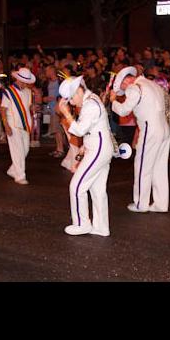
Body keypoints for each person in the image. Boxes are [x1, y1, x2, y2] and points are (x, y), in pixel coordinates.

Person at [110, 66, 170, 213]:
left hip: (150, 129)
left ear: (125, 81)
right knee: (159, 168)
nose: (125, 91)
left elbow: (124, 110)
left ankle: (140, 204)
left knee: (143, 166)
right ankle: (161, 204)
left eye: (123, 88)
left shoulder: (134, 88)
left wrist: (113, 101)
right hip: (164, 128)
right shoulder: (153, 84)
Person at [58, 76, 113, 236]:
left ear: (78, 91)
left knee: (76, 186)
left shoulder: (90, 104)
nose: (71, 103)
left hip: (98, 149)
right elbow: (95, 128)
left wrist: (66, 114)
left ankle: (82, 224)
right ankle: (101, 227)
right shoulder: (92, 100)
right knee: (97, 190)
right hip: (100, 147)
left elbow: (80, 130)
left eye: (71, 98)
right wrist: (84, 147)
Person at [0, 67, 36, 185]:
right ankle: (20, 175)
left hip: (25, 124)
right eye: (24, 81)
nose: (25, 84)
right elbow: (3, 109)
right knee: (18, 151)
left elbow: (28, 106)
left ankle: (13, 170)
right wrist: (6, 125)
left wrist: (32, 107)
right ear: (18, 79)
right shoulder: (8, 92)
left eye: (27, 82)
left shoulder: (28, 92)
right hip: (13, 124)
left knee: (25, 149)